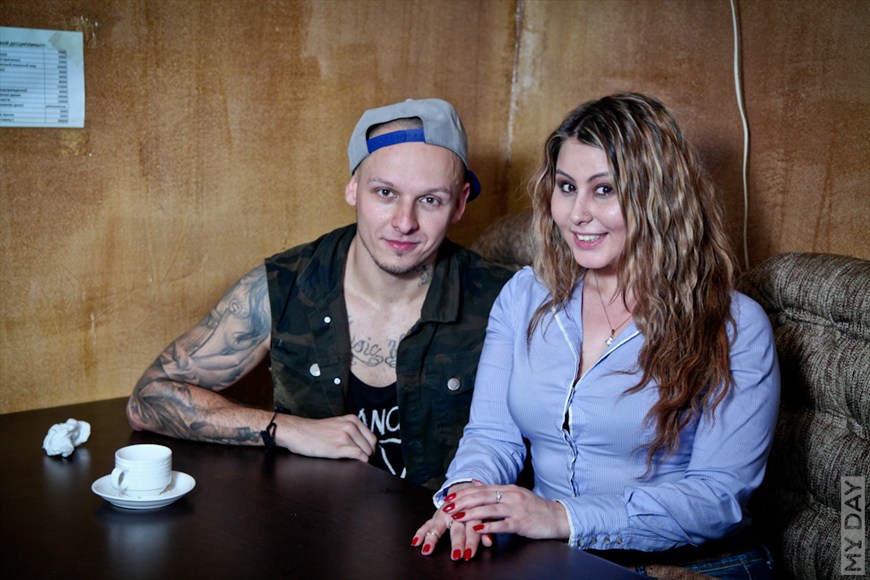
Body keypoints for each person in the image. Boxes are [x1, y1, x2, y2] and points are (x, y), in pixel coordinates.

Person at [411, 93, 780, 577]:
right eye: (566, 187)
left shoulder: (734, 326)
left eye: (604, 190)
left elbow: (718, 497)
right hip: (555, 558)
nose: (577, 213)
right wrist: (467, 499)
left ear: (658, 198)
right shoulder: (525, 296)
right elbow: (492, 436)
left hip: (687, 567)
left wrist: (562, 517)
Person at [126, 98, 513, 490]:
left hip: (442, 524)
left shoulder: (503, 300)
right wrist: (287, 429)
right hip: (311, 519)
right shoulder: (286, 285)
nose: (404, 222)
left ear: (459, 203)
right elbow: (148, 399)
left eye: (430, 200)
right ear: (353, 188)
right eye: (385, 193)